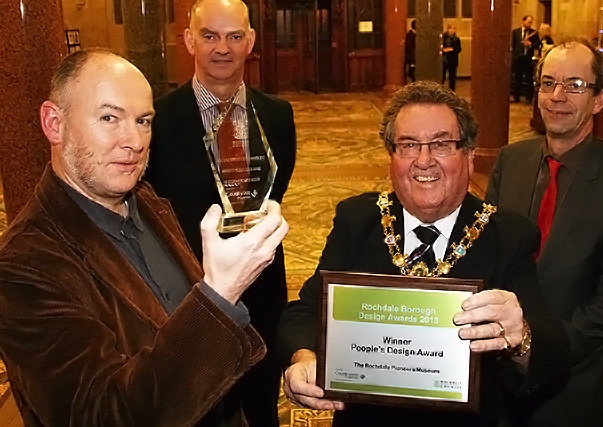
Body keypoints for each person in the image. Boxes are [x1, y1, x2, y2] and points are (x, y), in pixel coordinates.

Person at [0, 49, 289, 426]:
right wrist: (220, 293)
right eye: (109, 118)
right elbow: (106, 414)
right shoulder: (24, 266)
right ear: (55, 123)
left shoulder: (147, 201)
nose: (134, 141)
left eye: (143, 121)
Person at [278, 81, 570, 426]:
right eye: (408, 145)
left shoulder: (507, 235)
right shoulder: (358, 221)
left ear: (470, 155)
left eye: (442, 144)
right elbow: (305, 310)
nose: (424, 160)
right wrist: (302, 357)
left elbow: (553, 354)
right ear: (392, 158)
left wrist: (520, 338)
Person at [145, 1, 297, 425]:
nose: (222, 48)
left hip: (263, 289)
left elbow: (274, 191)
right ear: (189, 40)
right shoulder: (159, 120)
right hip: (189, 292)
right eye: (209, 35)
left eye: (234, 36)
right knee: (199, 406)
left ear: (250, 41)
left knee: (261, 402)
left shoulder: (278, 116)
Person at [486, 40, 603, 427]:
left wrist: (536, 348)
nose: (557, 96)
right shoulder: (511, 160)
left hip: (572, 387)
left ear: (600, 99)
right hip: (495, 381)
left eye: (575, 85)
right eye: (548, 82)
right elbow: (485, 252)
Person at [512, 15, 540, 103]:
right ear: (523, 21)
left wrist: (530, 44)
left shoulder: (534, 33)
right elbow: (512, 44)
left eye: (531, 22)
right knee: (518, 78)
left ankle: (529, 98)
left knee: (529, 78)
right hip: (518, 57)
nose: (529, 24)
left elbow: (538, 45)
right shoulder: (516, 32)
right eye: (528, 22)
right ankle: (516, 97)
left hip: (528, 58)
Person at [442, 24, 462, 91]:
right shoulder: (443, 37)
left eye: (453, 29)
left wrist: (451, 49)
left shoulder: (456, 39)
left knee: (452, 77)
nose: (451, 30)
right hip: (444, 59)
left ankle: (452, 91)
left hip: (452, 60)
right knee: (442, 76)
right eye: (450, 29)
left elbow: (459, 49)